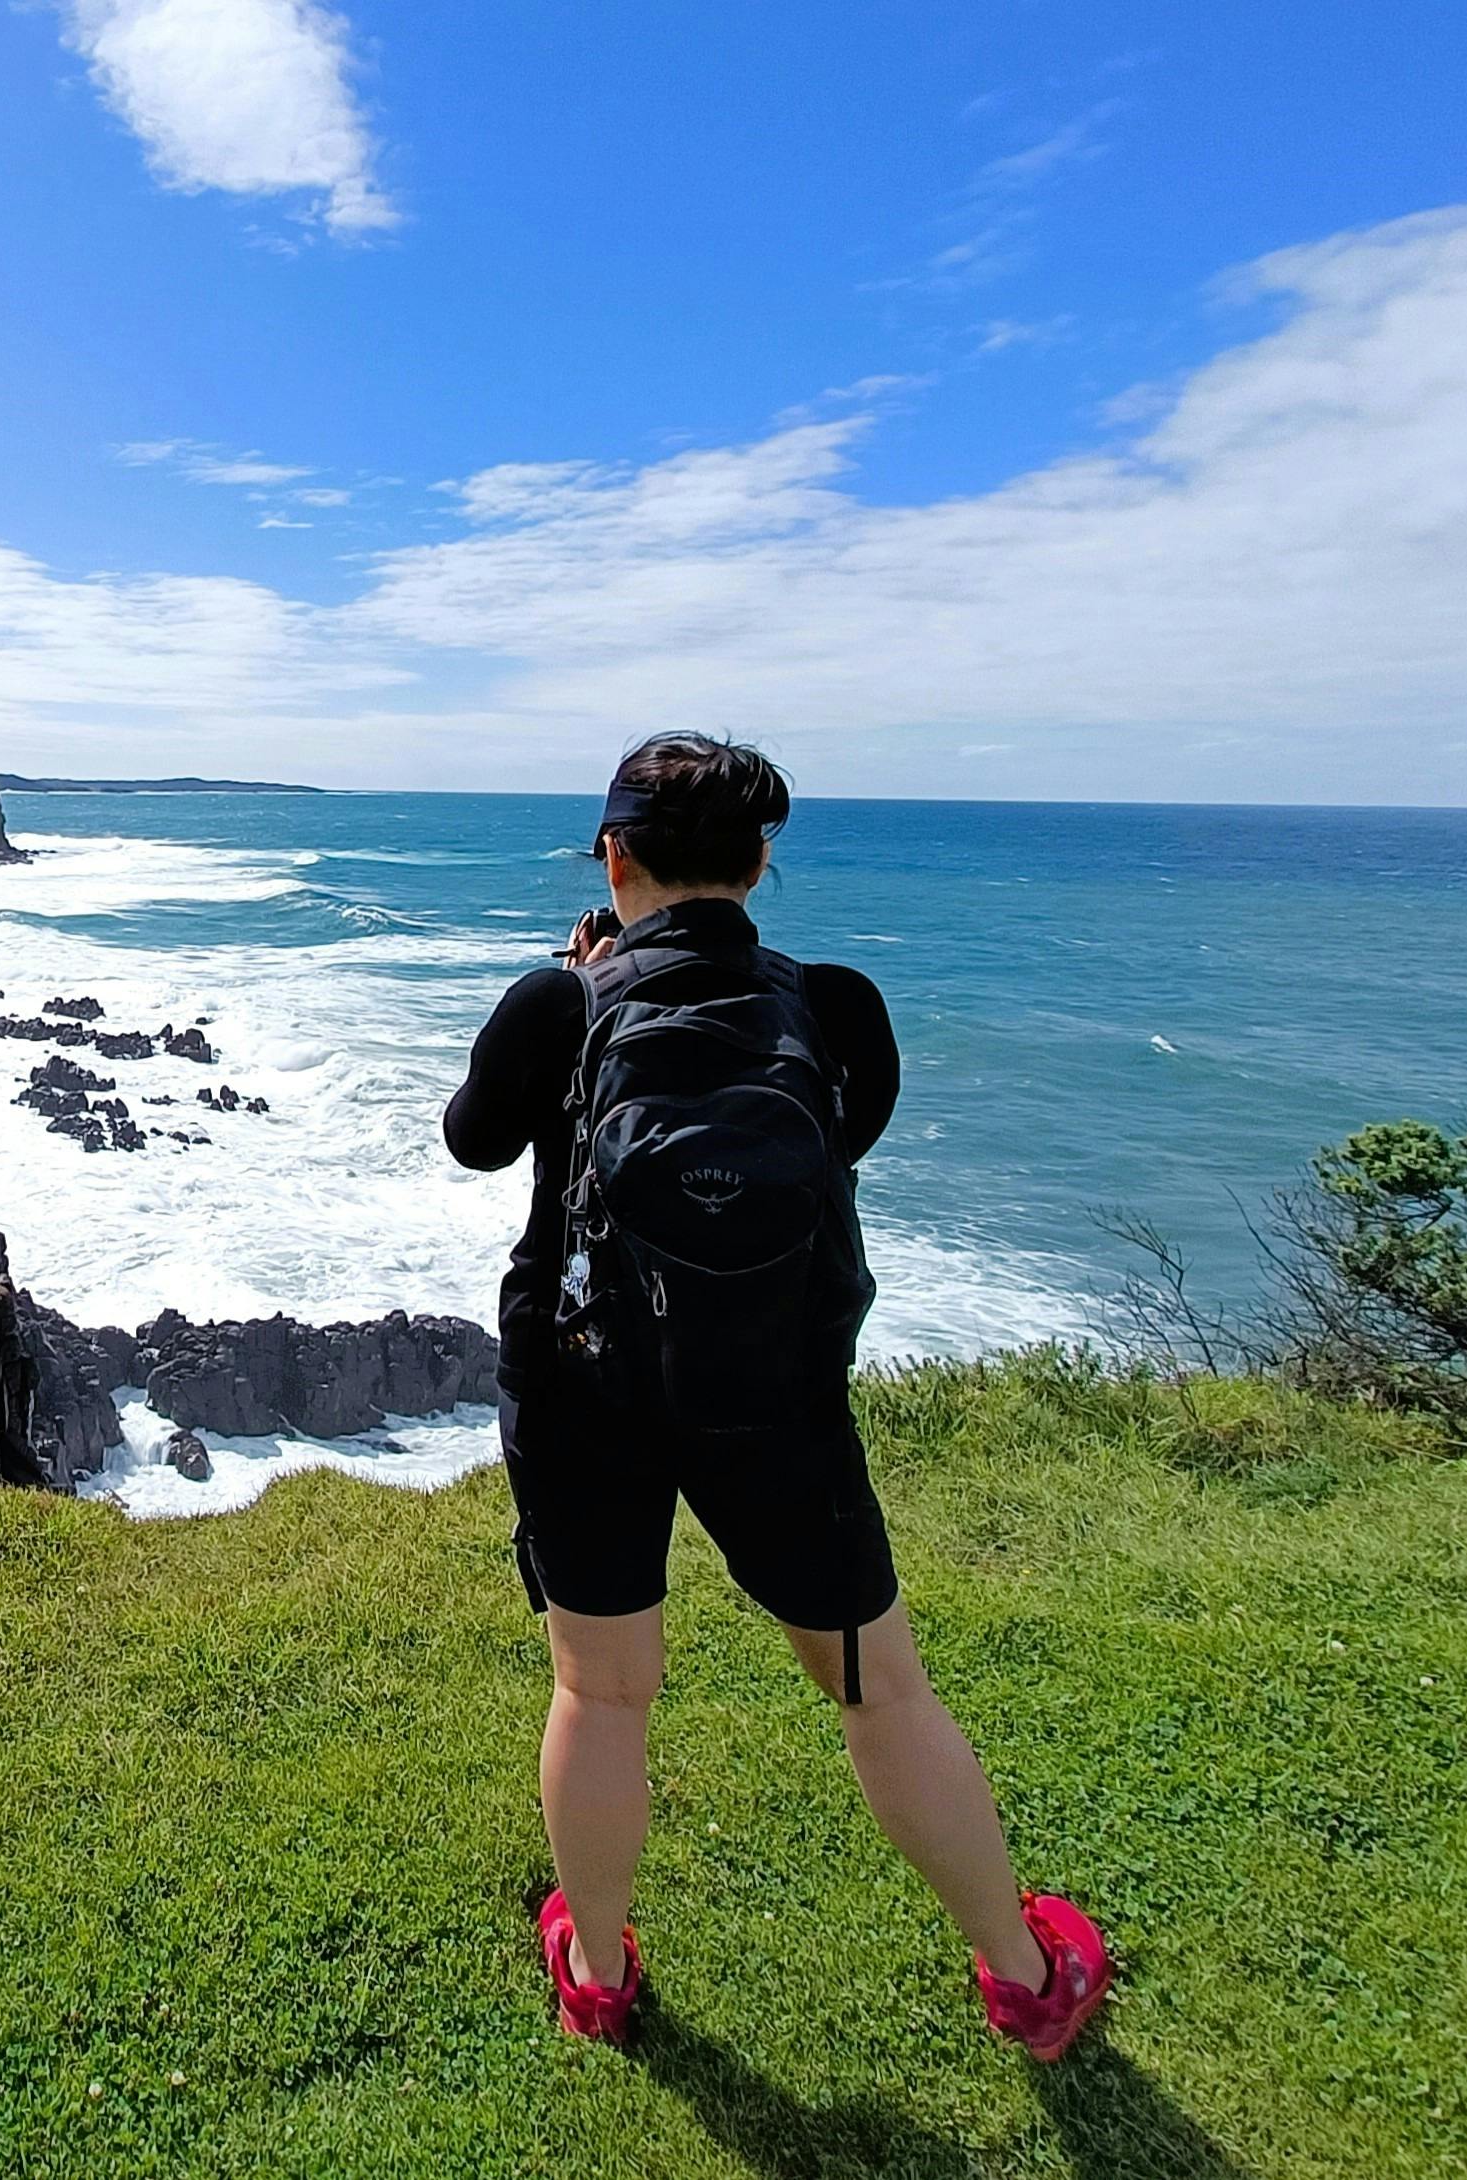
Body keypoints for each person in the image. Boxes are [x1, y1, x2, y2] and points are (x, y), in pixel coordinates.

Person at [443, 736, 1109, 2058]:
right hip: (774, 1396)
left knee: (603, 1693)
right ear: (758, 864)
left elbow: (475, 1140)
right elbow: (839, 1144)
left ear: (612, 859)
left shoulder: (555, 1003)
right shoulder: (833, 1003)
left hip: (583, 1389)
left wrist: (579, 999)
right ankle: (1023, 1973)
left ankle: (594, 1967)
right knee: (882, 1694)